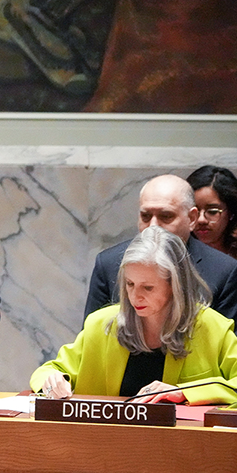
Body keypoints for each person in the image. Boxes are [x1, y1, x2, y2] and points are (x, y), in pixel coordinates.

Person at [33, 226, 237, 405]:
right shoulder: (101, 324)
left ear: (175, 286)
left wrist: (184, 392)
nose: (135, 296)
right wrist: (53, 380)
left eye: (148, 288)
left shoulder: (212, 327)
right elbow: (49, 371)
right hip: (106, 441)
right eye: (130, 284)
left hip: (182, 445)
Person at [84, 174, 237, 321]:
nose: (153, 226)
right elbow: (92, 337)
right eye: (146, 216)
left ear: (192, 218)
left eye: (166, 216)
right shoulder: (109, 263)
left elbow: (228, 343)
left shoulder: (224, 271)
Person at [187, 165, 237, 258]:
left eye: (213, 211)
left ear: (231, 213)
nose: (201, 220)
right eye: (195, 212)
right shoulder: (178, 255)